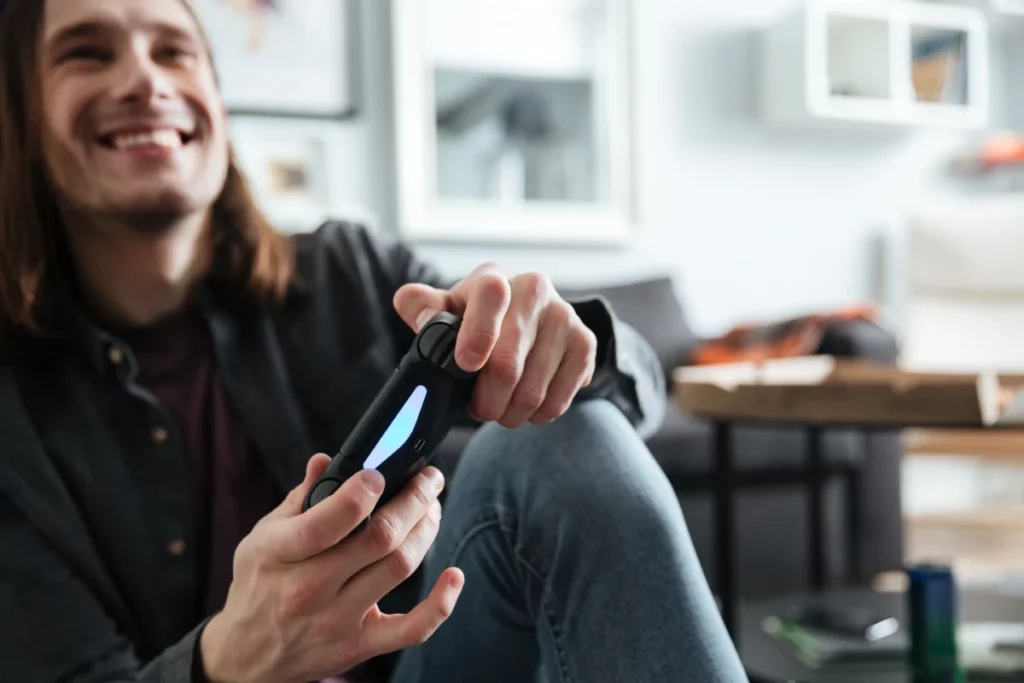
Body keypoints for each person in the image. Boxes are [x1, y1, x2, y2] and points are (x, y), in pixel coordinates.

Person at [0, 0, 749, 682]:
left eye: (173, 52)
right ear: (21, 112)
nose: (144, 79)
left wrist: (561, 348)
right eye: (86, 53)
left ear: (217, 105)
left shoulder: (348, 274)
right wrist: (225, 659)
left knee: (564, 436)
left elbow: (641, 393)